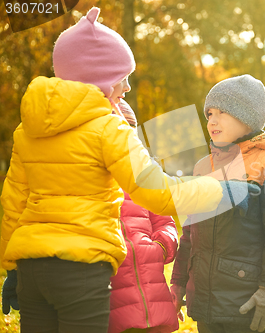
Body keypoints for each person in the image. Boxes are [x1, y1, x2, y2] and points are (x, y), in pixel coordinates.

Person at [0, 7, 222, 333]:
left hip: (32, 269)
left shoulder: (28, 129)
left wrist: (10, 268)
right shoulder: (109, 128)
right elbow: (154, 191)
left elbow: (13, 203)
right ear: (100, 78)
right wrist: (217, 188)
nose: (128, 88)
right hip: (81, 271)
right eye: (123, 78)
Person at [170, 74, 265, 333]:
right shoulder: (202, 166)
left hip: (247, 302)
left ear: (247, 117)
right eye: (209, 113)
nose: (212, 120)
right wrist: (179, 282)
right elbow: (190, 233)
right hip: (205, 300)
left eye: (223, 112)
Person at [108, 102, 179, 333]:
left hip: (154, 296)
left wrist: (160, 246)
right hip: (114, 301)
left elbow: (166, 223)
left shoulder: (146, 178)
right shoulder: (94, 180)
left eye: (129, 130)